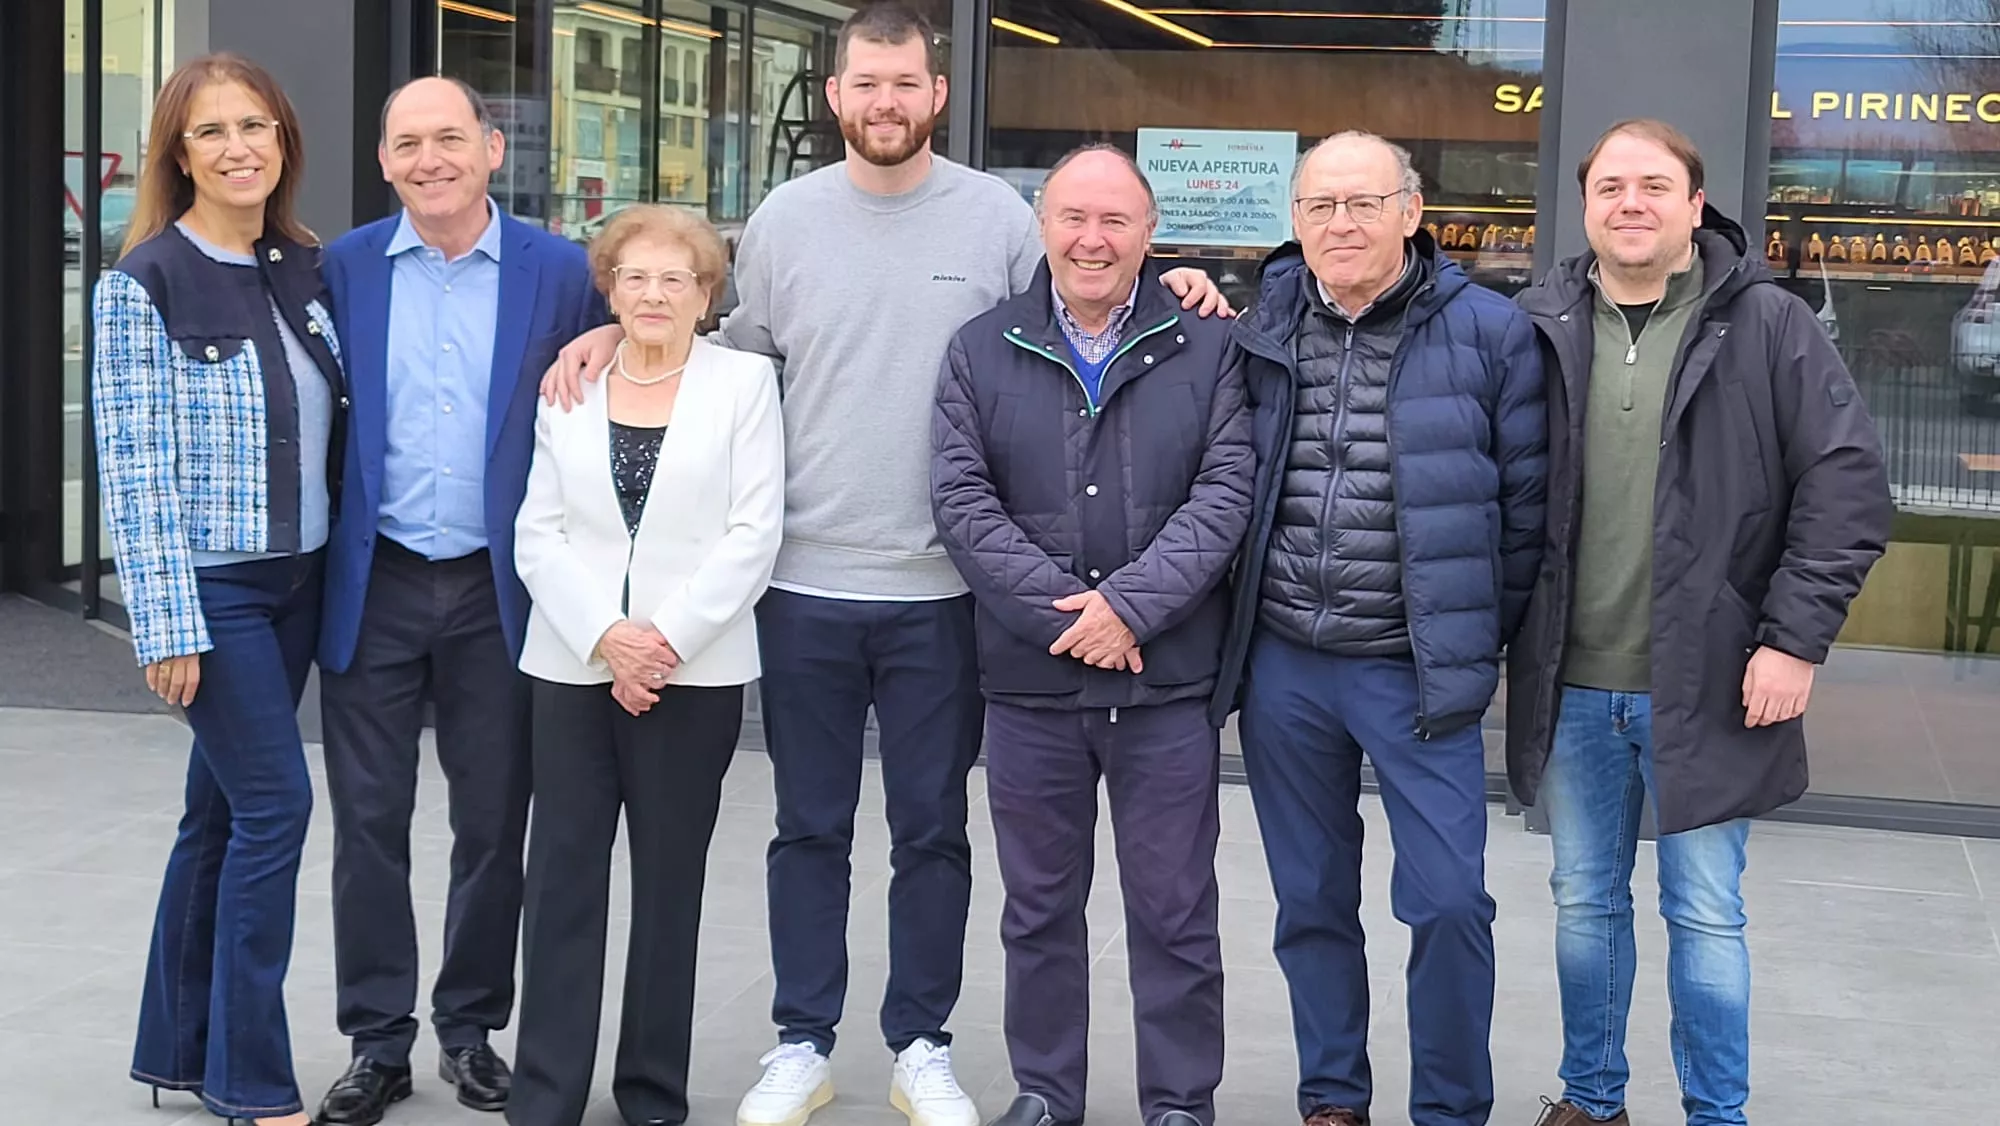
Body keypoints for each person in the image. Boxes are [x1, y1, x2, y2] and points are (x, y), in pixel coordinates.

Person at [538, 6, 1227, 1125]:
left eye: (905, 83)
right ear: (835, 95)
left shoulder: (997, 218)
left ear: (936, 94)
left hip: (946, 591)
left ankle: (921, 1043)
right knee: (807, 826)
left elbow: (1079, 293)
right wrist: (617, 333)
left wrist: (1180, 282)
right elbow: (726, 357)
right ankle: (801, 1040)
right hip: (803, 583)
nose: (885, 103)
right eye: (866, 83)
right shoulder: (785, 219)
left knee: (931, 832)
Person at [1506, 119, 1892, 1126]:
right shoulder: (1537, 321)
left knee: (1705, 912)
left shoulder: (1766, 324)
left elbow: (1846, 487)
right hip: (1571, 681)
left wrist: (1793, 638)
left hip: (1713, 680)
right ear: (1584, 206)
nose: (1628, 203)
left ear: (1693, 204)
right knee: (1583, 901)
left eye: (1652, 185)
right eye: (1609, 187)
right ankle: (1590, 1102)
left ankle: (1715, 1114)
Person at [1209, 130, 1547, 1126]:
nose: (1341, 223)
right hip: (1285, 665)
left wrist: (1469, 635)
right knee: (1311, 898)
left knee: (1448, 900)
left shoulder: (1490, 331)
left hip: (1414, 670)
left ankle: (1449, 1108)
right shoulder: (1260, 324)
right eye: (1320, 205)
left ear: (1410, 211)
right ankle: (1332, 1097)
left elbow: (1524, 512)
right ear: (1295, 219)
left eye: (1363, 203)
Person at [931, 145, 1253, 1126]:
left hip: (1165, 686)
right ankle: (1045, 1092)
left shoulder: (1209, 346)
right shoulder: (980, 348)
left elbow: (1225, 491)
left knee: (1175, 911)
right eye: (1073, 217)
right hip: (1032, 686)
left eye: (1115, 220)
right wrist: (1074, 622)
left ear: (1150, 233)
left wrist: (1131, 609)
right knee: (1036, 909)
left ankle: (1179, 1101)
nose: (1092, 239)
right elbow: (961, 502)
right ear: (1042, 226)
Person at [313, 77, 604, 1126]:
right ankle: (376, 1042)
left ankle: (471, 1029)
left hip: (499, 588)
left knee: (491, 824)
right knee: (368, 823)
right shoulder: (341, 266)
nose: (429, 159)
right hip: (377, 577)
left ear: (490, 149)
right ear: (383, 162)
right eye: (407, 144)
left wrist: (610, 335)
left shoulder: (560, 270)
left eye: (448, 138)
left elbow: (638, 349)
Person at [93, 53, 341, 1126]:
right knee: (277, 808)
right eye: (211, 131)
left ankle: (181, 1047)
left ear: (283, 139)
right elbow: (133, 465)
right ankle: (252, 1080)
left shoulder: (306, 265)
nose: (238, 147)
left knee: (220, 813)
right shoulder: (143, 281)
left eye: (255, 126)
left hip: (302, 583)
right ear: (179, 154)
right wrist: (164, 623)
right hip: (217, 590)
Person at [506, 204, 785, 1126]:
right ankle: (545, 1092)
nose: (655, 294)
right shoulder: (572, 383)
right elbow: (538, 533)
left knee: (669, 888)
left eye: (676, 279)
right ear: (610, 289)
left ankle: (652, 1092)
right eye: (636, 277)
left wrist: (660, 641)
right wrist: (606, 638)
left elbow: (754, 532)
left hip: (692, 674)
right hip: (572, 666)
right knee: (562, 879)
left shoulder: (743, 384)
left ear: (707, 295)